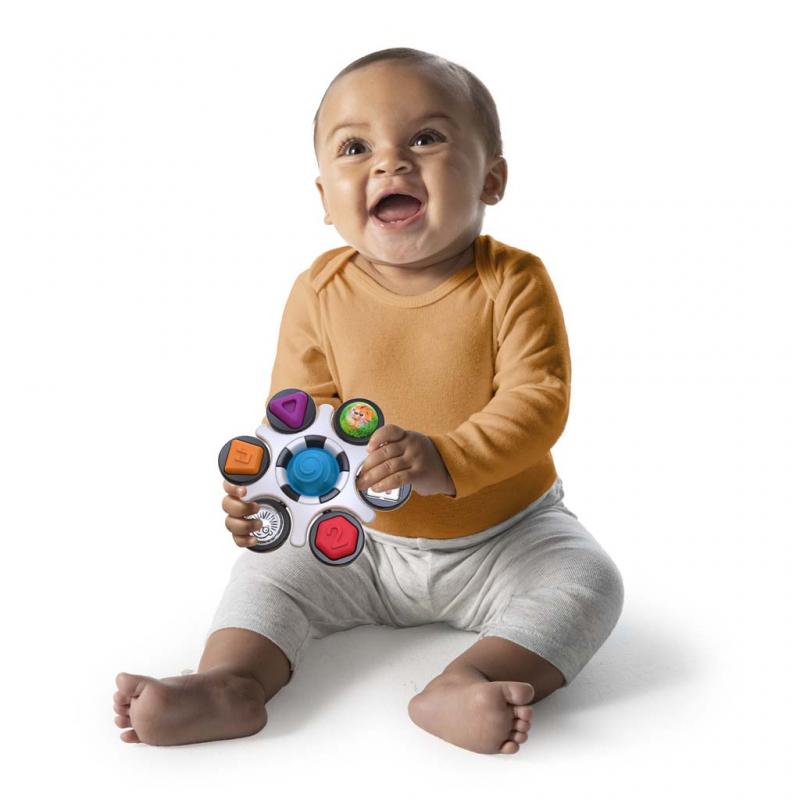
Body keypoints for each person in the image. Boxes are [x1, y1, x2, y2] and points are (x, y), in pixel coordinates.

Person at [113, 47, 624, 755]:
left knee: (588, 581)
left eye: (426, 138)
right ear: (325, 199)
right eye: (356, 148)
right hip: (355, 540)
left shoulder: (512, 281)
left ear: (492, 178)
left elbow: (537, 400)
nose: (391, 164)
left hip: (507, 535)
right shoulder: (319, 292)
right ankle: (230, 681)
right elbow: (296, 418)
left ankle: (469, 680)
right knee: (268, 575)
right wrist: (270, 501)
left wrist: (445, 458)